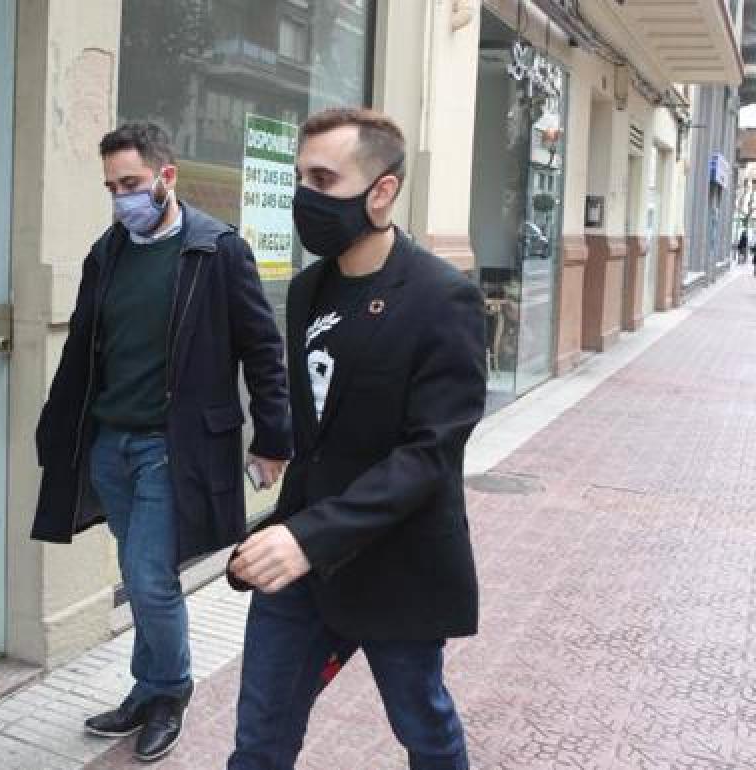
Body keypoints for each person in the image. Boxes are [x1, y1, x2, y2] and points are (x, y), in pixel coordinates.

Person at [226, 107, 487, 770]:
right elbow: (316, 426)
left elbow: (430, 453)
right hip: (299, 569)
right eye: (300, 178)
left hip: (396, 566)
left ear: (382, 192)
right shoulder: (309, 287)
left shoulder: (442, 297)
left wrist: (310, 538)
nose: (305, 197)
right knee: (259, 741)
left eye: (324, 178)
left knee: (423, 729)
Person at [32, 122, 292, 762]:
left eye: (132, 184)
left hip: (170, 447)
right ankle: (146, 690)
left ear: (165, 178)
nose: (122, 198)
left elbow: (261, 350)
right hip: (110, 444)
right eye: (112, 187)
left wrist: (275, 436)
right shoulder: (109, 252)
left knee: (149, 579)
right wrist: (56, 428)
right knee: (136, 567)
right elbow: (85, 352)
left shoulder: (217, 250)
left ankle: (169, 691)